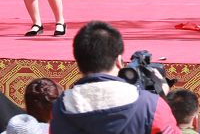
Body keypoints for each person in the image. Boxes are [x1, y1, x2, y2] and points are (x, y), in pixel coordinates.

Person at [50, 20, 181, 134]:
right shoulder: (150, 105)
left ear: (78, 64)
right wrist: (161, 98)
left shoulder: (60, 108)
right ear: (119, 61)